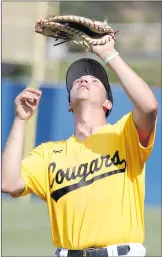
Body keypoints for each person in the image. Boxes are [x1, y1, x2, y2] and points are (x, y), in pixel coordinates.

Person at [2, 35, 158, 257]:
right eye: (78, 80)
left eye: (95, 81)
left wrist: (109, 55)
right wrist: (20, 120)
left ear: (108, 102)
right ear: (68, 104)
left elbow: (149, 106)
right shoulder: (49, 153)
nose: (85, 80)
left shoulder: (125, 134)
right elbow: (9, 182)